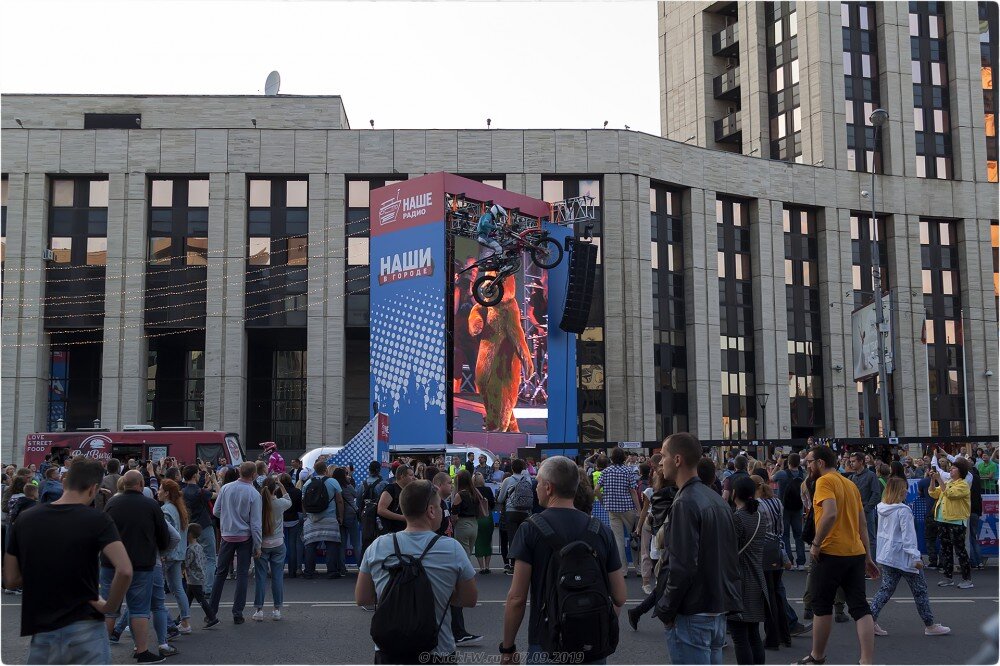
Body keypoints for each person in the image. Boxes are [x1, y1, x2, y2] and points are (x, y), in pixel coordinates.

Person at [4, 457, 134, 665]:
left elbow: (10, 579)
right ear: (93, 489)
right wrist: (109, 605)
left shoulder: (26, 519)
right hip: (86, 626)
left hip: (42, 628)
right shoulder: (98, 520)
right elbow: (125, 570)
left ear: (64, 483)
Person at [501, 456, 626, 664]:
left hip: (547, 641)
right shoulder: (601, 530)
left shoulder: (530, 529)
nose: (536, 488)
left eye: (538, 483)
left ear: (548, 488)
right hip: (592, 645)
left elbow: (517, 598)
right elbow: (620, 597)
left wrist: (508, 647)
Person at [356, 480, 479, 662]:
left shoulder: (378, 546)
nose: (440, 511)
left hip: (389, 651)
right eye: (438, 506)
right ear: (430, 511)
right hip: (436, 651)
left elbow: (362, 598)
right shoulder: (451, 548)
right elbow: (469, 599)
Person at [655, 434, 741, 665]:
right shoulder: (716, 499)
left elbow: (682, 566)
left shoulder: (685, 502)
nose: (660, 461)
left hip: (692, 612)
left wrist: (665, 607)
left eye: (663, 456)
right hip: (716, 609)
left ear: (678, 459)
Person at [798, 445, 879, 666]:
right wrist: (868, 556)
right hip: (855, 552)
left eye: (809, 462)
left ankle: (817, 656)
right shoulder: (850, 484)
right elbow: (862, 523)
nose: (808, 466)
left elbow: (830, 513)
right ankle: (866, 661)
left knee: (822, 606)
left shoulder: (824, 481)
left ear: (820, 463)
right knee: (860, 607)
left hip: (830, 552)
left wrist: (816, 544)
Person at [869, 478, 950, 637]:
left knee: (885, 589)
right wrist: (915, 558)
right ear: (899, 491)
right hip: (904, 557)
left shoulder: (881, 508)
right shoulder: (903, 510)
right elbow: (908, 537)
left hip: (888, 555)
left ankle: (870, 620)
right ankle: (930, 625)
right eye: (904, 489)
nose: (907, 491)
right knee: (920, 591)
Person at [208, 461, 263, 624]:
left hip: (227, 535)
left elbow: (216, 511)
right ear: (253, 475)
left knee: (221, 573)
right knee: (242, 575)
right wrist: (258, 545)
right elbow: (255, 523)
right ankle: (237, 613)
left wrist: (227, 519)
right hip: (244, 537)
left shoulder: (225, 488)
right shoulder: (253, 493)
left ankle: (211, 611)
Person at [729, 475, 769, 665]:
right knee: (753, 634)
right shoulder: (761, 516)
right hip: (757, 579)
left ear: (735, 493)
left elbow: (730, 552)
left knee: (739, 637)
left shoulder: (737, 518)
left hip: (739, 581)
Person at [596, 447, 641, 578]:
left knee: (618, 540)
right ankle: (638, 568)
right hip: (628, 508)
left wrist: (603, 501)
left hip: (612, 509)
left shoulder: (606, 471)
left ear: (612, 458)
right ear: (624, 458)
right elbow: (633, 491)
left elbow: (597, 489)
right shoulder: (628, 471)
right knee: (634, 537)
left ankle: (623, 570)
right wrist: (638, 509)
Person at [928, 457, 973, 588]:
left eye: (954, 468)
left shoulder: (963, 484)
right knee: (945, 549)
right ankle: (948, 577)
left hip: (956, 520)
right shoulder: (948, 482)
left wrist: (939, 479)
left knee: (960, 550)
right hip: (942, 519)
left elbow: (950, 494)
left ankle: (967, 579)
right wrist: (933, 479)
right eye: (951, 467)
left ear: (961, 471)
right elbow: (933, 493)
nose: (951, 469)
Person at [253, 477, 292, 621]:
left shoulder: (258, 504)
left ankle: (259, 610)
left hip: (262, 544)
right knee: (277, 577)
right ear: (274, 488)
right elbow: (289, 500)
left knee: (260, 577)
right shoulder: (280, 503)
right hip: (278, 543)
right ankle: (277, 609)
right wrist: (281, 485)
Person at [158, 479, 193, 634]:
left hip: (168, 554)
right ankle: (185, 622)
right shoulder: (179, 509)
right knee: (177, 588)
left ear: (166, 493)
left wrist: (163, 552)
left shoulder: (165, 510)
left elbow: (165, 534)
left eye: (160, 489)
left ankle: (169, 625)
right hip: (179, 553)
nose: (158, 492)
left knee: (156, 590)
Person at [301, 461, 345, 578]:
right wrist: (340, 516)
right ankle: (331, 571)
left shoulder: (308, 483)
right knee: (331, 545)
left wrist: (306, 516)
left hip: (312, 519)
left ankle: (309, 571)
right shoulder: (333, 482)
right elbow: (339, 500)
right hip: (329, 518)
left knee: (311, 545)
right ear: (326, 470)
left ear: (315, 470)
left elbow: (303, 501)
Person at [496, 459, 535, 574]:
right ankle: (523, 563)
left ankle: (512, 565)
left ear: (512, 468)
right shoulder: (527, 479)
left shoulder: (508, 480)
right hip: (525, 512)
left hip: (511, 512)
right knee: (523, 539)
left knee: (512, 538)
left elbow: (500, 499)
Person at [774, 453, 807, 570]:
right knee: (799, 535)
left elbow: (771, 478)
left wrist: (778, 464)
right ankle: (801, 562)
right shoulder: (804, 474)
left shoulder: (782, 474)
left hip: (784, 507)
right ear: (799, 462)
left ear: (788, 462)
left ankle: (790, 562)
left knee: (785, 535)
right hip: (798, 507)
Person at [183, 523, 219, 628]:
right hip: (198, 577)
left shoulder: (190, 549)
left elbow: (187, 563)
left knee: (200, 600)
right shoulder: (199, 547)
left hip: (193, 578)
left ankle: (212, 617)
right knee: (187, 600)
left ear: (189, 534)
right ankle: (180, 618)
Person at [847, 452, 881, 559]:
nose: (851, 464)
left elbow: (876, 494)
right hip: (854, 512)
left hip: (867, 511)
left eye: (853, 461)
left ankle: (871, 564)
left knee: (870, 539)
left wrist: (866, 509)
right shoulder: (852, 477)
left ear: (861, 462)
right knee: (855, 538)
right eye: (850, 461)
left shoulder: (871, 475)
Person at [451, 470, 482, 560]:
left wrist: (453, 522)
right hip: (474, 524)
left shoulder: (460, 495)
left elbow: (455, 514)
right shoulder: (475, 492)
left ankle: (465, 573)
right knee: (469, 552)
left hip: (462, 524)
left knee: (463, 553)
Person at [279, 473, 304, 578]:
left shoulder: (277, 492)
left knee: (281, 546)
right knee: (293, 545)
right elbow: (300, 507)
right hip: (294, 519)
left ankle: (279, 569)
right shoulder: (298, 491)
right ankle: (293, 570)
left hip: (281, 520)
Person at [376, 464, 414, 536]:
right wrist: (402, 517)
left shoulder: (407, 490)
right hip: (391, 533)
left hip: (403, 532)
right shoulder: (391, 488)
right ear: (402, 476)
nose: (413, 478)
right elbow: (381, 510)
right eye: (411, 475)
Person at [473, 472, 496, 574]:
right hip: (488, 516)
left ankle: (481, 567)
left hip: (477, 518)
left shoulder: (472, 491)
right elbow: (492, 503)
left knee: (478, 542)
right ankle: (487, 566)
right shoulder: (488, 489)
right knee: (488, 541)